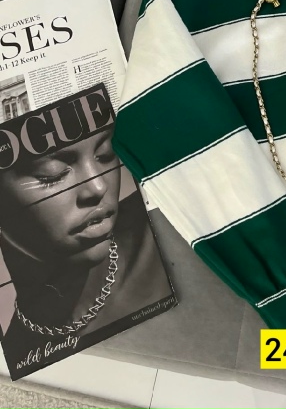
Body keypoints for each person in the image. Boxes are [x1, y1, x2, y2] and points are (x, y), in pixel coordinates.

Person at [0, 123, 172, 375]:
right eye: (53, 173)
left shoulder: (162, 219)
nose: (98, 187)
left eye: (105, 154)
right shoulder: (23, 350)